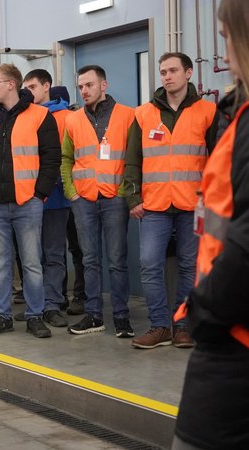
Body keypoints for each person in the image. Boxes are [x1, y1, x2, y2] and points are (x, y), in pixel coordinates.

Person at [175, 1, 249, 446]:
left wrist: (204, 313)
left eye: (226, 38)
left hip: (234, 340)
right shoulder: (234, 111)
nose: (224, 55)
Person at [123, 52, 219, 350]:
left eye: (173, 70)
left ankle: (183, 326)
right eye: (163, 71)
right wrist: (133, 198)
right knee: (150, 265)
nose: (167, 76)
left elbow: (219, 158)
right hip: (153, 205)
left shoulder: (208, 112)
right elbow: (132, 161)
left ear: (188, 73)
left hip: (194, 204)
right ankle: (160, 326)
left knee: (190, 267)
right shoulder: (143, 114)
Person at [0, 63, 61, 339]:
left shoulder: (40, 116)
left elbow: (51, 158)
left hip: (27, 202)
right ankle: (2, 316)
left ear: (11, 84)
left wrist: (39, 194)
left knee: (32, 263)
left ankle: (34, 315)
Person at [61, 65, 135, 338]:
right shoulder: (73, 120)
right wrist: (72, 193)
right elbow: (66, 159)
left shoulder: (128, 116)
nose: (84, 90)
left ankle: (122, 317)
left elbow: (134, 159)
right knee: (90, 259)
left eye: (89, 85)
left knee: (117, 260)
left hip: (114, 198)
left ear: (103, 85)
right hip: (84, 199)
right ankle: (93, 316)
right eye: (80, 86)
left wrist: (124, 192)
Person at [21, 69, 72, 327]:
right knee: (31, 257)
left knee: (53, 254)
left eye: (32, 86)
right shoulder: (23, 116)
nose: (28, 91)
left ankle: (52, 304)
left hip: (55, 199)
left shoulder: (66, 117)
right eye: (25, 87)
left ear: (46, 86)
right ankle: (35, 305)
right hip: (26, 198)